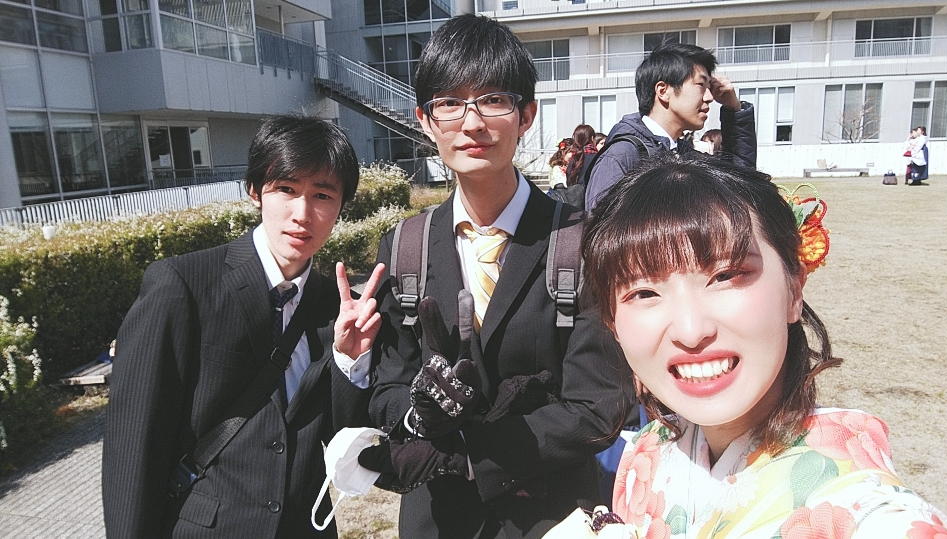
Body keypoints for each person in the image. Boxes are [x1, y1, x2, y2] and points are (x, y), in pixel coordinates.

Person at [575, 156, 947, 537]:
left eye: (726, 275)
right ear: (612, 323)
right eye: (644, 292)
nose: (691, 331)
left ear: (794, 288)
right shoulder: (646, 454)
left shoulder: (875, 518)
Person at [365, 14, 632, 539]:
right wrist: (419, 413)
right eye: (449, 103)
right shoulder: (404, 248)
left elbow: (598, 405)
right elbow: (387, 384)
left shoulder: (581, 242)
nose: (471, 123)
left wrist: (469, 455)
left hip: (551, 517)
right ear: (425, 120)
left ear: (526, 114)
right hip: (437, 521)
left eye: (492, 100)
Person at [102, 115, 386, 538]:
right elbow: (132, 441)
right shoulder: (183, 285)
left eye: (322, 195)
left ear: (341, 206)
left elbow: (341, 434)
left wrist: (350, 360)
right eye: (286, 189)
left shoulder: (336, 306)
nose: (302, 214)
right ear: (254, 191)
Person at [583, 43, 757, 212]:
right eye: (701, 85)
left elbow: (741, 186)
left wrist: (734, 109)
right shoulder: (623, 155)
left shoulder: (685, 154)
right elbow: (600, 226)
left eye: (709, 87)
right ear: (663, 91)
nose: (710, 97)